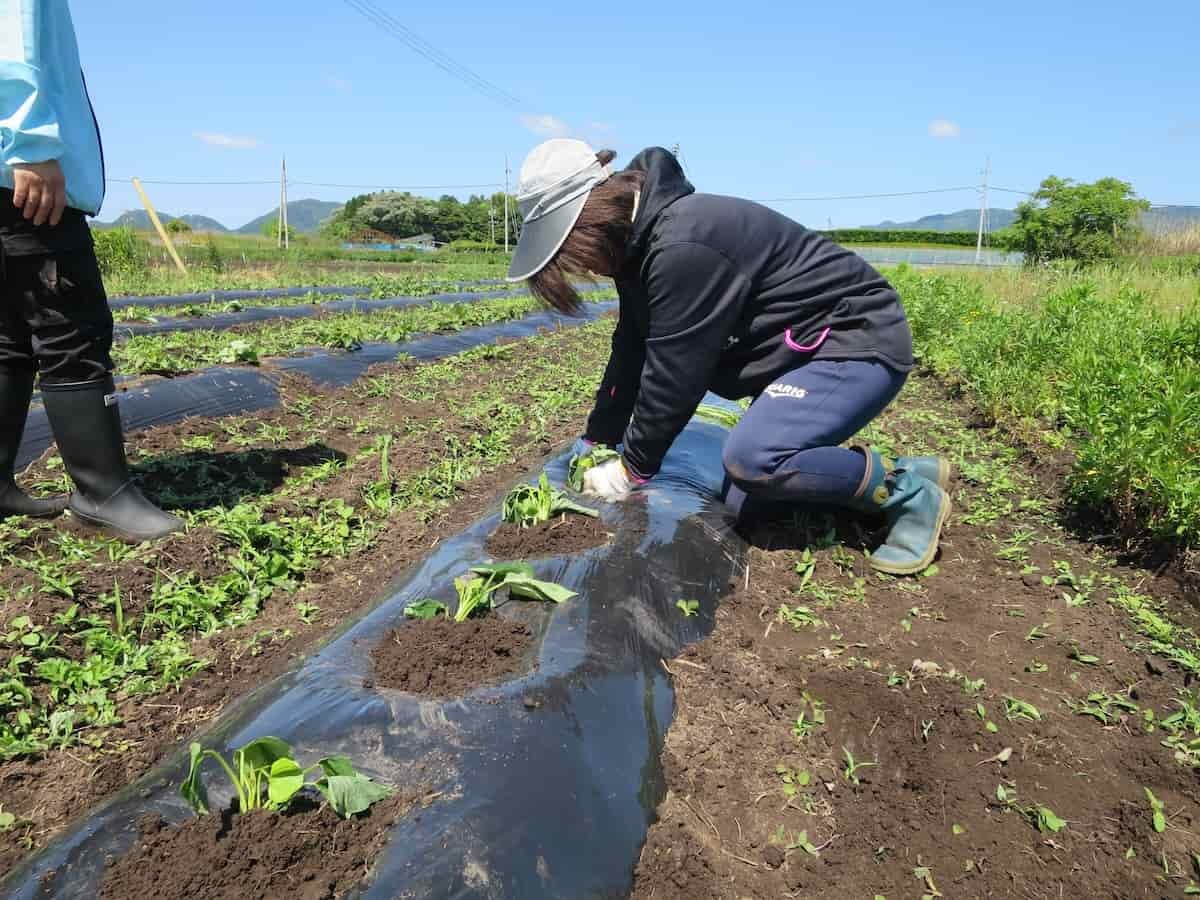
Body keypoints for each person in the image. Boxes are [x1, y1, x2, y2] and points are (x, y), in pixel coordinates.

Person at [506, 139, 950, 575]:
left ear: (589, 216)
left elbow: (675, 372)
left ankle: (907, 494)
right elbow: (632, 347)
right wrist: (598, 435)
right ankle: (907, 469)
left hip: (854, 343)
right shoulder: (637, 245)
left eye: (570, 249)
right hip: (802, 354)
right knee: (745, 499)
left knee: (754, 461)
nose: (582, 267)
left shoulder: (684, 243)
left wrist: (631, 468)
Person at [1, 0, 181, 541]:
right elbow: (13, 38)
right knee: (71, 327)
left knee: (9, 333)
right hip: (20, 171)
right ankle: (101, 491)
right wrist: (31, 145)